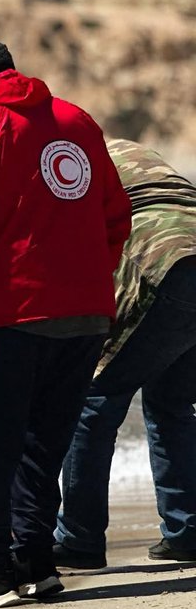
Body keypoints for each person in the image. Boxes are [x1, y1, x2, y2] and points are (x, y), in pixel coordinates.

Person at [0, 35, 130, 609]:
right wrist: (87, 278)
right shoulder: (78, 120)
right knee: (47, 443)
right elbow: (117, 216)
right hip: (88, 314)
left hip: (14, 310)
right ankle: (37, 561)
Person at [54, 139, 196, 568]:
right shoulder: (124, 151)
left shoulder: (65, 163)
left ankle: (78, 538)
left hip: (161, 260)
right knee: (172, 402)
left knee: (92, 401)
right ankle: (186, 532)